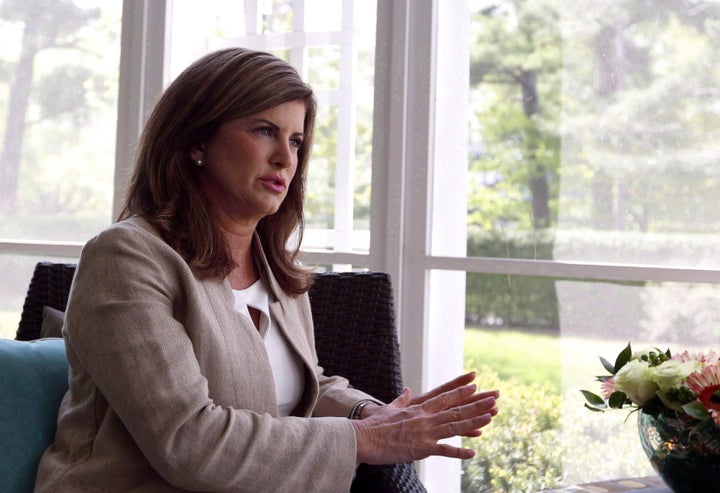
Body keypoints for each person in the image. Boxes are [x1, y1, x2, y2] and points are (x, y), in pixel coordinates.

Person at [34, 47, 499, 493]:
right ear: (197, 139)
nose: (286, 158)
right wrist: (367, 441)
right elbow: (187, 440)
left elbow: (298, 389)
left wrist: (370, 414)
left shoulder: (278, 272)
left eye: (295, 141)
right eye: (263, 131)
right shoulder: (126, 257)